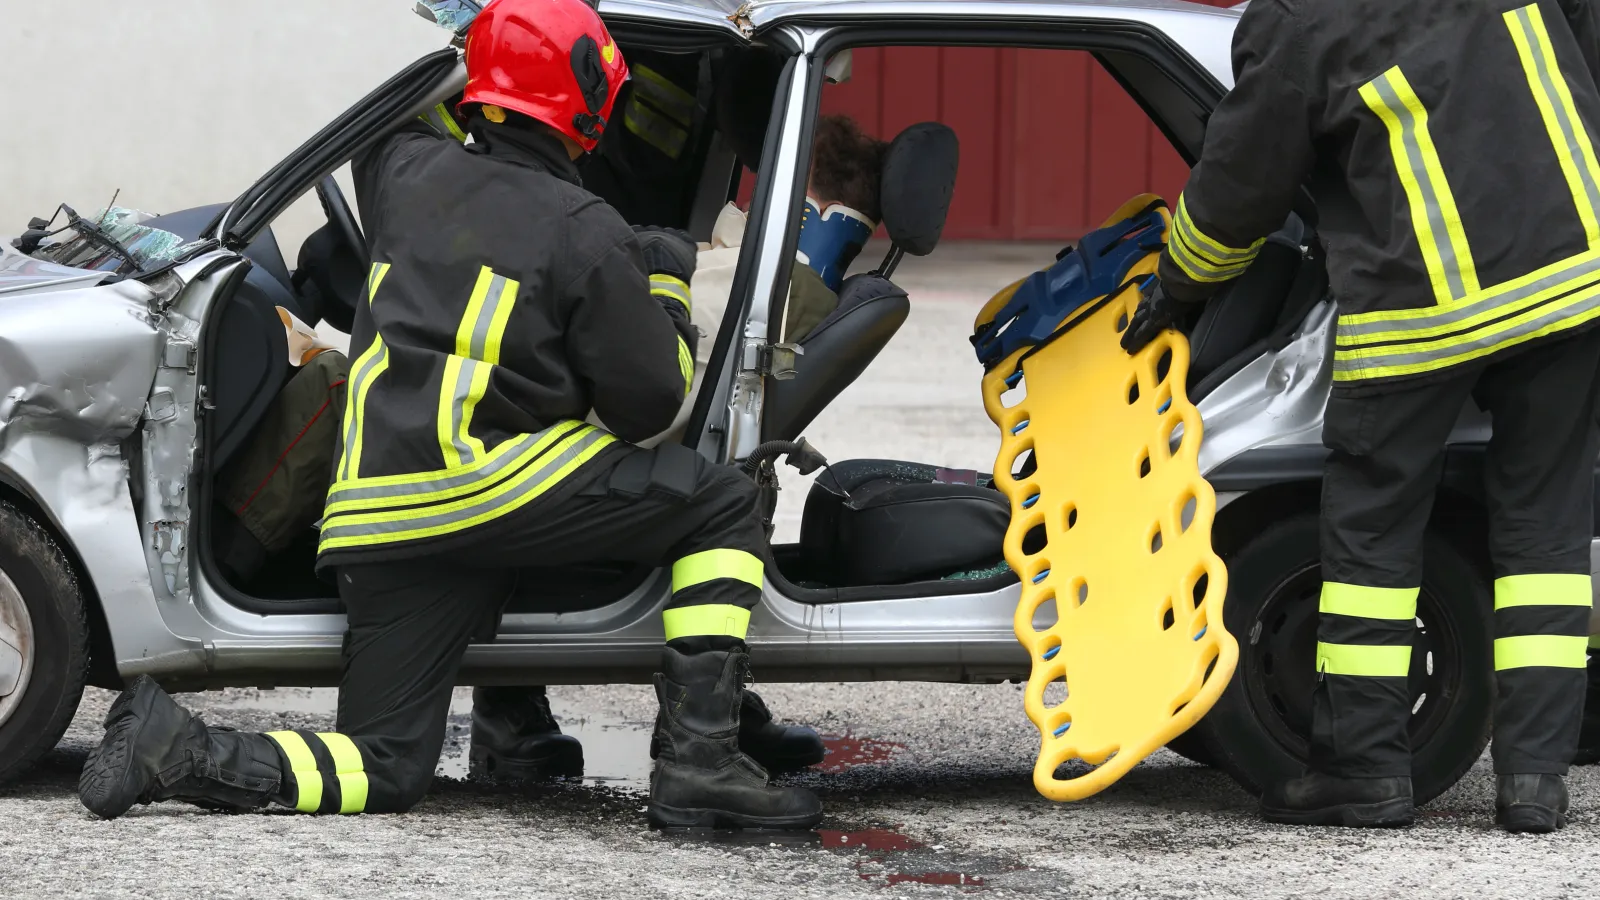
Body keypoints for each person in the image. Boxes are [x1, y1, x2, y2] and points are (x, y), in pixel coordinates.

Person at [77, 0, 822, 831]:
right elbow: (648, 401)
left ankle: (174, 746)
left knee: (385, 765)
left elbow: (404, 118)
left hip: (376, 517)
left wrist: (474, 50)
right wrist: (665, 284)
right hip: (485, 490)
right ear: (588, 104)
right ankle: (702, 762)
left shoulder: (402, 171)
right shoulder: (589, 232)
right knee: (719, 501)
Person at [1122, 0, 1600, 833]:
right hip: (1573, 276)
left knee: (1374, 532)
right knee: (1547, 533)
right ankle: (1535, 780)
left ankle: (1364, 771)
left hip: (1423, 311)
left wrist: (1179, 284)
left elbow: (1241, 185)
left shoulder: (1300, 18)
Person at [472, 113, 890, 780]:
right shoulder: (777, 281)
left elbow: (636, 371)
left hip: (584, 462)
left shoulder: (750, 282)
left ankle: (531, 704)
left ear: (801, 205)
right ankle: (699, 711)